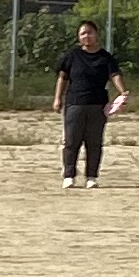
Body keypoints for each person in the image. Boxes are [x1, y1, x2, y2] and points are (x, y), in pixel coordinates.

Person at [53, 14, 120, 188]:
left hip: (98, 105)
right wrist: (57, 98)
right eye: (82, 33)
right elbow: (63, 77)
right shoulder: (73, 56)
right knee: (71, 141)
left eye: (89, 33)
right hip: (75, 103)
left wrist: (122, 92)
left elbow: (115, 75)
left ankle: (92, 176)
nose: (86, 36)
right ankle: (69, 175)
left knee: (94, 142)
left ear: (96, 34)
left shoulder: (105, 57)